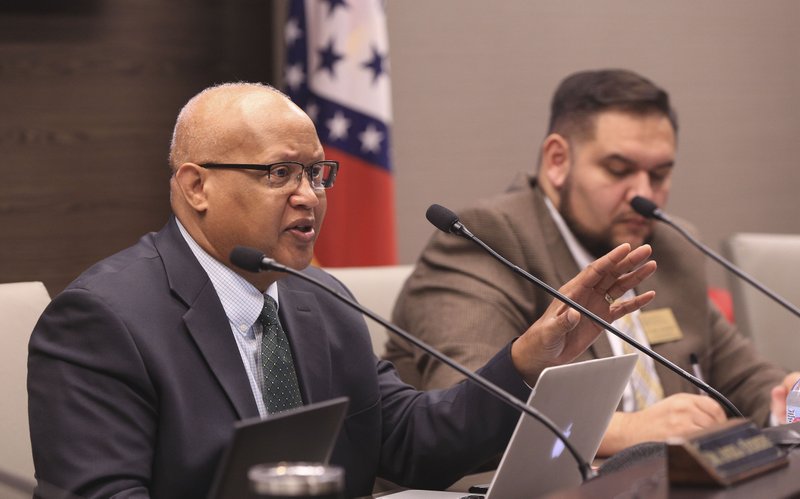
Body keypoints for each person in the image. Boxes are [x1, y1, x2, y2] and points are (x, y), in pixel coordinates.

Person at [27, 82, 658, 499]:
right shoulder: (104, 321)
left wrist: (528, 361)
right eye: (279, 173)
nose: (308, 195)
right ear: (196, 187)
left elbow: (410, 441)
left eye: (316, 172)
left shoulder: (317, 296)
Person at [386, 69, 800, 457]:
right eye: (619, 169)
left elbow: (746, 379)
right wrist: (629, 431)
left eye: (659, 174)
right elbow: (467, 406)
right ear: (557, 161)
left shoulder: (669, 246)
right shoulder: (490, 240)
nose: (645, 195)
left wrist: (792, 405)